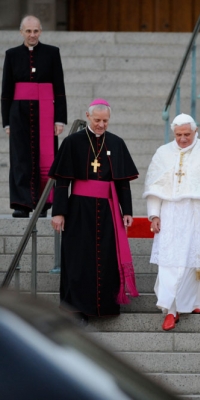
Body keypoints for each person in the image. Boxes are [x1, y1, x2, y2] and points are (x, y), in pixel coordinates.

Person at [143, 113, 200, 331]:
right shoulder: (163, 153)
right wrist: (154, 215)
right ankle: (172, 308)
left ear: (195, 131)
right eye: (178, 135)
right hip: (173, 216)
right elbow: (155, 188)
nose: (183, 139)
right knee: (172, 262)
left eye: (187, 134)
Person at [49, 98, 139, 325]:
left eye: (105, 121)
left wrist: (126, 210)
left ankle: (105, 308)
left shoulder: (116, 143)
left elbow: (123, 182)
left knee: (107, 257)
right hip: (78, 208)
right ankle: (77, 310)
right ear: (88, 117)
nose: (101, 124)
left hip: (108, 210)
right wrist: (59, 212)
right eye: (97, 120)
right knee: (78, 258)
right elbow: (61, 181)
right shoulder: (72, 142)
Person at [1, 15, 67, 218]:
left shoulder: (52, 53)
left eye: (35, 31)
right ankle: (21, 204)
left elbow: (59, 88)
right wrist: (6, 122)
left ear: (40, 31)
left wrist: (60, 118)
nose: (32, 35)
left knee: (45, 158)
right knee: (20, 158)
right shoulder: (11, 54)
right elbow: (6, 90)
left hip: (45, 112)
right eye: (28, 31)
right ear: (21, 32)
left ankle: (43, 204)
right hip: (18, 113)